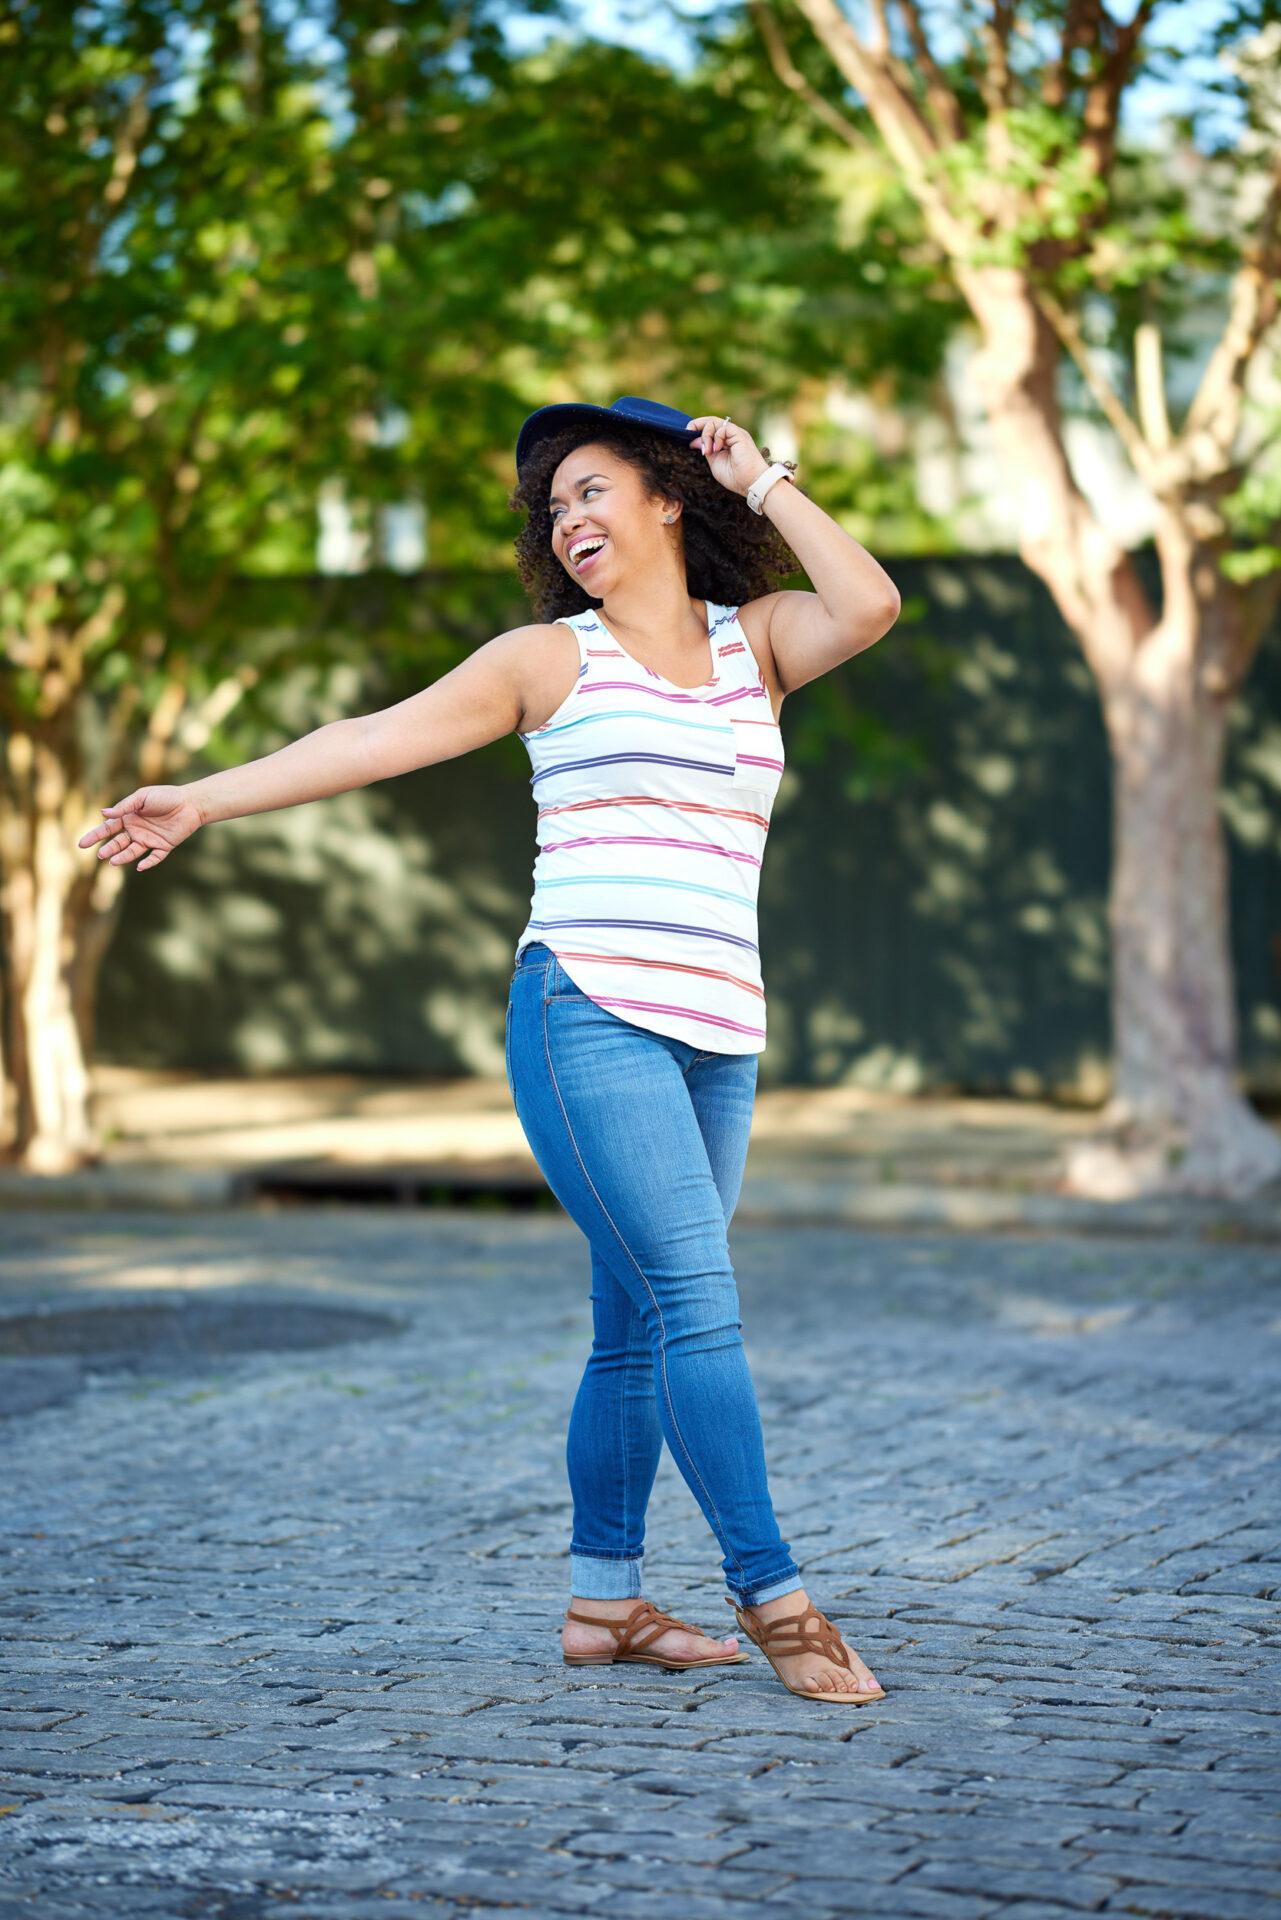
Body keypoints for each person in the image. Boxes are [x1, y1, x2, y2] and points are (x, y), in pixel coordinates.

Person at [79, 396, 901, 1702]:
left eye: (591, 490)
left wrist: (764, 478)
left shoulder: (756, 645)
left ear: (668, 497)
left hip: (720, 1031)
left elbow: (868, 603)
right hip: (589, 1015)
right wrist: (203, 799)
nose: (566, 519)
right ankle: (776, 1598)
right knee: (695, 1302)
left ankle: (603, 1604)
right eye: (551, 508)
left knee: (634, 1325)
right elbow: (369, 740)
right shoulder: (547, 660)